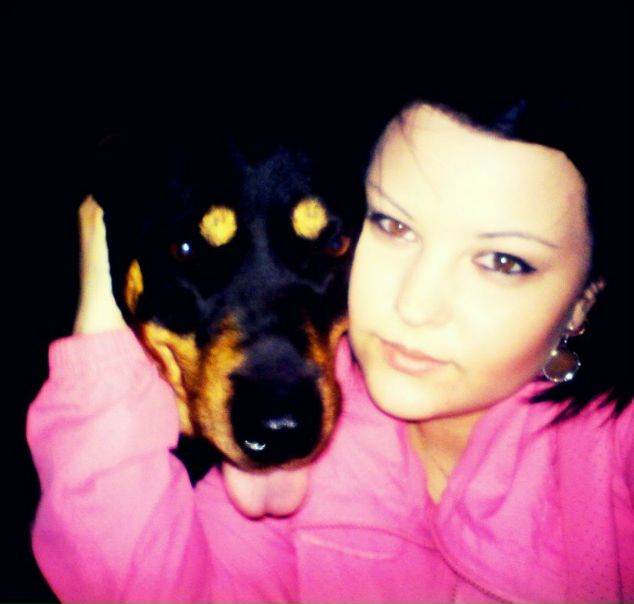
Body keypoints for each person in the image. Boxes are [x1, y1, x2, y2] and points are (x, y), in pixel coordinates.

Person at [27, 84, 633, 603]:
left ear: (585, 299)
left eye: (502, 260)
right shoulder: (296, 477)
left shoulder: (616, 460)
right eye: (393, 226)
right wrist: (103, 300)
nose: (415, 305)